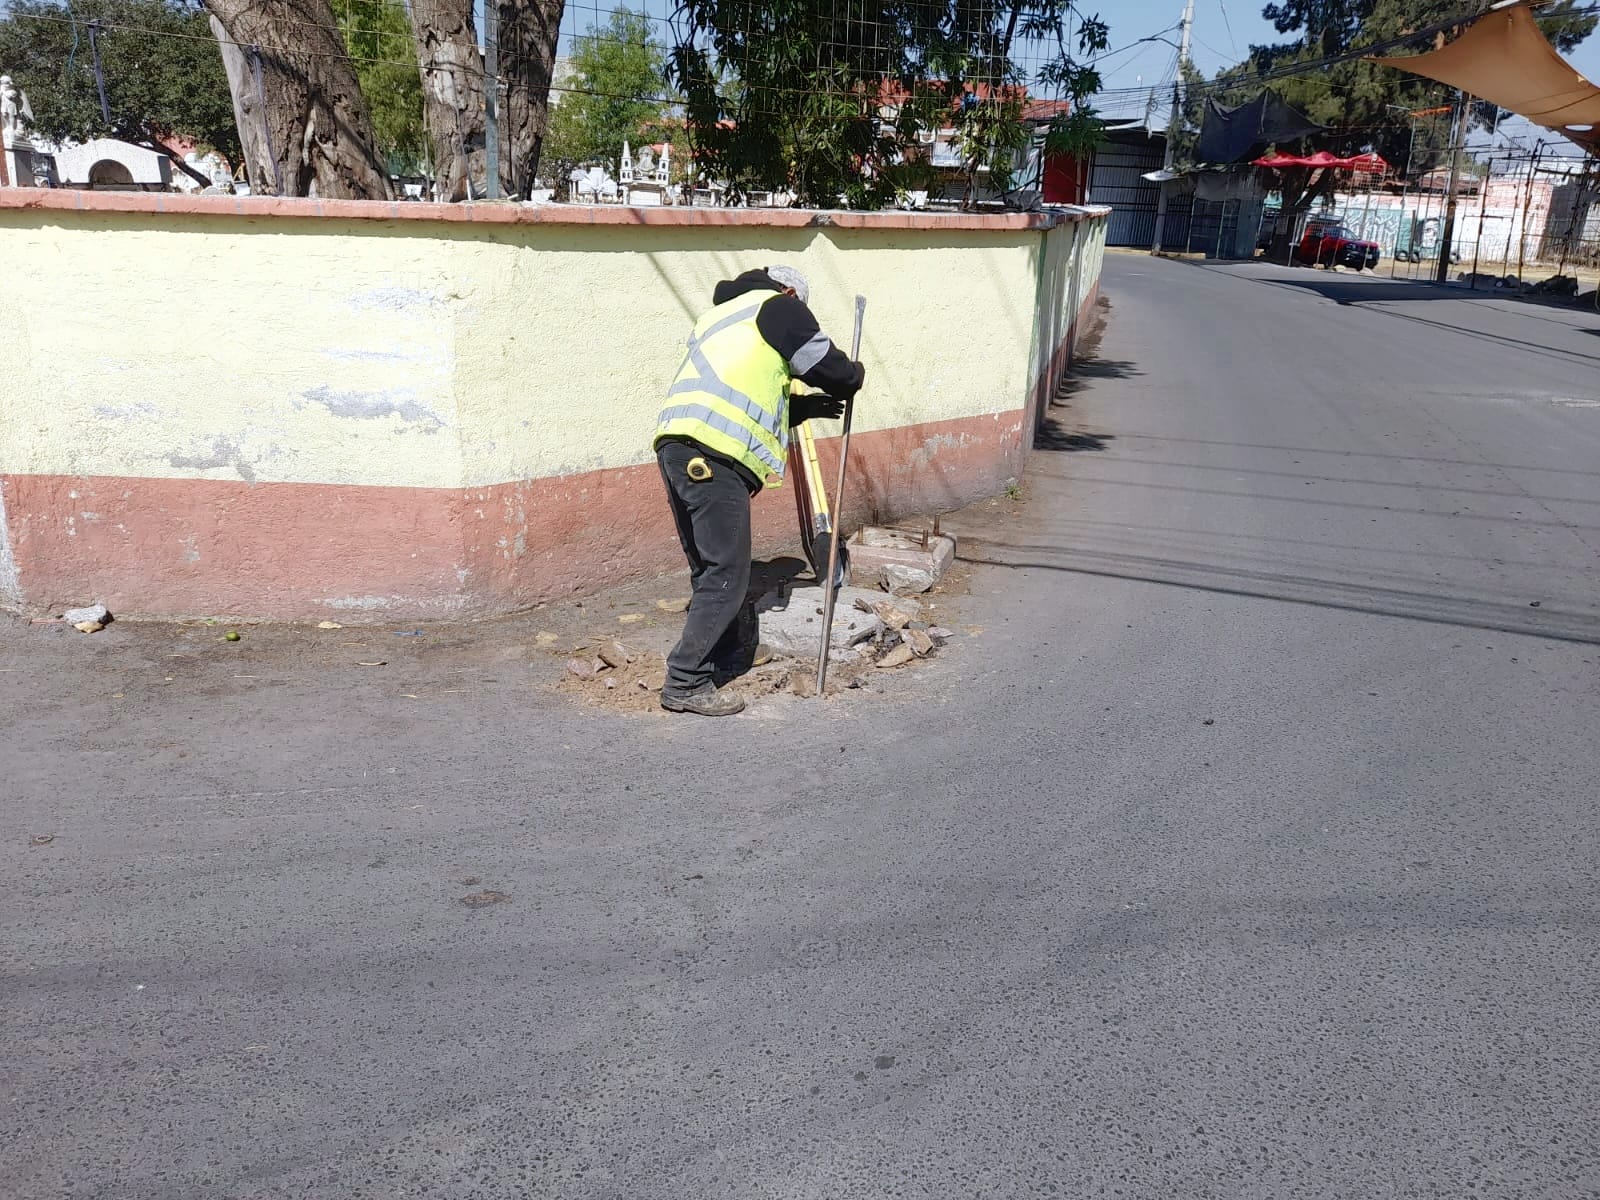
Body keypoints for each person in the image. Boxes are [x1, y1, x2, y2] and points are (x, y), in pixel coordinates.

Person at [654, 265, 865, 716]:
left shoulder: (725, 315)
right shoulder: (779, 307)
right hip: (714, 455)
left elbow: (743, 394)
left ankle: (727, 656)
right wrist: (854, 374)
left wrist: (801, 407)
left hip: (680, 446)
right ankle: (685, 682)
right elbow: (833, 369)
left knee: (712, 569)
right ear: (790, 291)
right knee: (728, 574)